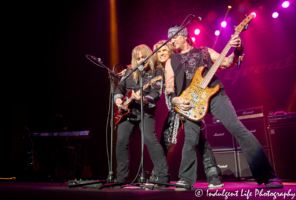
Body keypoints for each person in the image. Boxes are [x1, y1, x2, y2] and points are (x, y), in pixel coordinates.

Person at [164, 25, 283, 189]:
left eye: (174, 37)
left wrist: (238, 49)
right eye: (170, 39)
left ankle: (268, 176)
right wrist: (174, 99)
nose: (171, 42)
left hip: (214, 95)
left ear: (184, 36)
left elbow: (227, 62)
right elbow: (169, 84)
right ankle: (185, 179)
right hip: (190, 102)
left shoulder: (204, 51)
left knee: (237, 128)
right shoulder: (171, 61)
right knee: (190, 140)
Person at [150, 40, 224, 188]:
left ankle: (213, 173)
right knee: (165, 139)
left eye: (164, 50)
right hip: (174, 109)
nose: (162, 53)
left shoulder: (179, 63)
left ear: (171, 51)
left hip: (190, 105)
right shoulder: (159, 70)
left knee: (198, 140)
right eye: (158, 51)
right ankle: (159, 175)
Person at [114, 44, 169, 186]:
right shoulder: (129, 72)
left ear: (149, 57)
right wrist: (118, 99)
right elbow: (120, 88)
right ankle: (121, 178)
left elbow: (156, 94)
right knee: (121, 142)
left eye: (144, 57)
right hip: (127, 112)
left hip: (146, 111)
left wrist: (144, 99)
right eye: (138, 58)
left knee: (151, 141)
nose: (141, 61)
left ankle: (163, 176)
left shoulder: (156, 72)